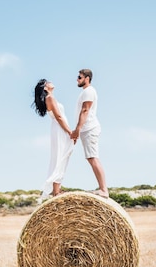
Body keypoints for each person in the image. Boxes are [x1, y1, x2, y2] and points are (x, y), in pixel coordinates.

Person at [32, 79, 74, 199]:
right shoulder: (50, 98)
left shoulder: (50, 98)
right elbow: (59, 117)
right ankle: (56, 191)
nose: (51, 82)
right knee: (61, 156)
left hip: (59, 128)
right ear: (45, 87)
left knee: (61, 156)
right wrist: (70, 132)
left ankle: (57, 189)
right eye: (48, 82)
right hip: (60, 128)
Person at [70, 69, 108, 198]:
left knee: (93, 157)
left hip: (89, 129)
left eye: (79, 77)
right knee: (91, 158)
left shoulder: (89, 91)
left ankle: (103, 190)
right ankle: (103, 189)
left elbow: (85, 110)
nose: (77, 79)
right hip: (86, 129)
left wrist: (77, 130)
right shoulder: (86, 92)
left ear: (87, 78)